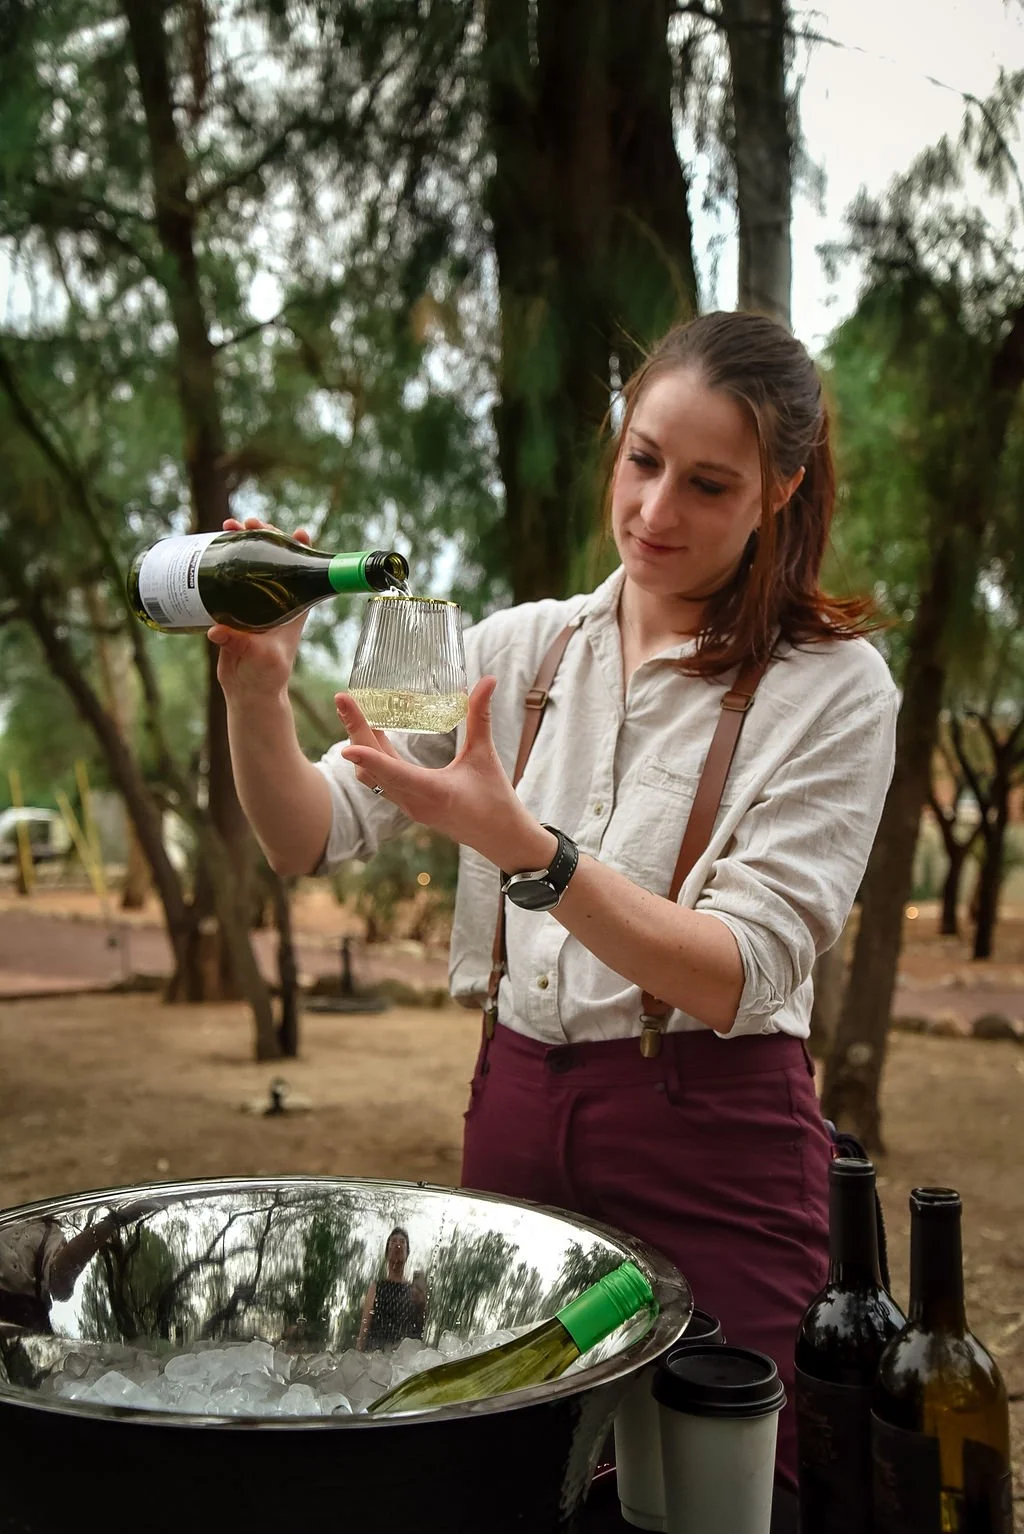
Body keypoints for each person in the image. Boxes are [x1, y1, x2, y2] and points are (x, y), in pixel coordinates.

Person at [210, 310, 898, 1493]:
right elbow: (307, 832)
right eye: (641, 460)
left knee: (725, 1492)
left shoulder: (834, 689)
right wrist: (256, 691)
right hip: (516, 1114)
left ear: (779, 490)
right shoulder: (518, 649)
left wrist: (527, 846)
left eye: (707, 482)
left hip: (715, 1142)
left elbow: (740, 967)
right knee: (525, 1484)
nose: (653, 511)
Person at [356, 1227, 427, 1352]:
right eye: (393, 1241)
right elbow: (364, 1326)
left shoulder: (414, 1291)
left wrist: (423, 1299)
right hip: (377, 1356)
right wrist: (358, 1353)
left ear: (407, 1254)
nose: (398, 1244)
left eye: (402, 1242)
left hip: (403, 1359)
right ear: (387, 1253)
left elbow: (420, 1330)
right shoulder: (376, 1287)